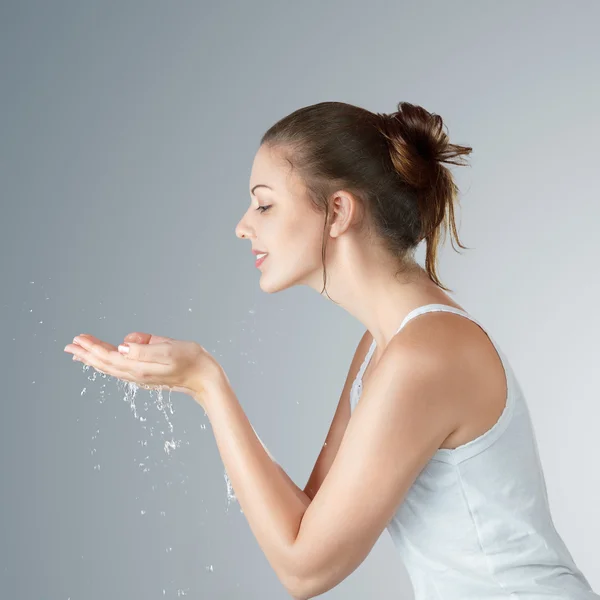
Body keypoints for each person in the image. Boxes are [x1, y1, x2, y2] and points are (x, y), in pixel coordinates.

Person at [232, 101, 599, 599]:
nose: (243, 226)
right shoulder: (381, 348)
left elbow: (305, 571)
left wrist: (209, 388)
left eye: (264, 204)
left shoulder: (425, 355)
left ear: (338, 211)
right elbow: (306, 521)